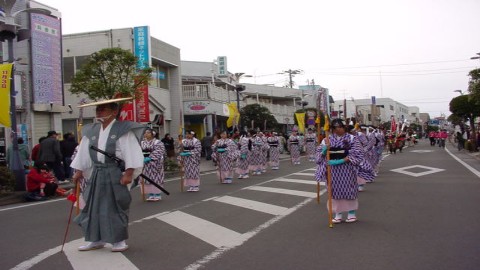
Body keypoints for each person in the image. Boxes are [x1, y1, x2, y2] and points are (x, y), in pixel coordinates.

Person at [71, 99, 145, 252]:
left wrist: (129, 173)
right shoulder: (91, 130)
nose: (99, 111)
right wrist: (78, 170)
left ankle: (119, 240)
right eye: (98, 109)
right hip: (97, 173)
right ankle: (95, 239)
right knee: (93, 206)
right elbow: (83, 152)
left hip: (115, 173)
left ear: (115, 111)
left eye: (103, 109)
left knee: (115, 206)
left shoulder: (123, 129)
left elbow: (131, 152)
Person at [315, 118, 364, 223]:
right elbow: (318, 157)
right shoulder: (326, 139)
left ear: (344, 127)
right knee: (334, 191)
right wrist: (324, 150)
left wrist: (342, 160)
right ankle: (338, 213)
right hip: (332, 170)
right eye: (335, 128)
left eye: (340, 127)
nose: (337, 130)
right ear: (332, 129)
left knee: (349, 190)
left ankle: (351, 213)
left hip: (347, 168)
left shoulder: (352, 138)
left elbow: (358, 153)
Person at [141, 129, 166, 201]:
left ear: (153, 134)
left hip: (155, 163)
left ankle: (157, 194)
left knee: (156, 178)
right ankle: (150, 194)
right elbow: (139, 150)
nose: (146, 134)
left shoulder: (158, 142)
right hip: (145, 162)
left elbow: (159, 151)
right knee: (147, 178)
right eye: (145, 132)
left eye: (148, 133)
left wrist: (150, 157)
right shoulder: (142, 142)